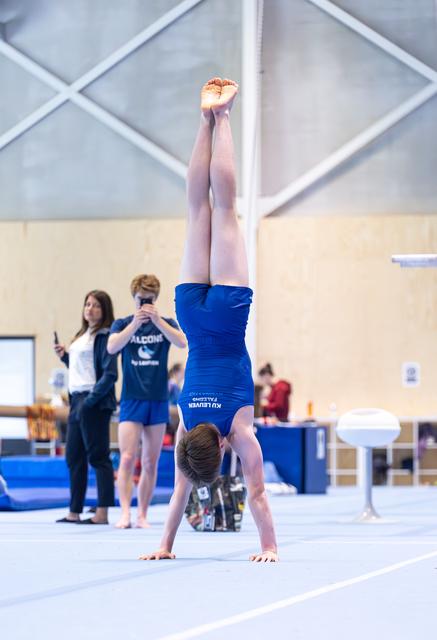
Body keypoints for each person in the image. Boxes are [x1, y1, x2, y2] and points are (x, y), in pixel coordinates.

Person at [141, 78, 278, 562]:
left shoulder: (239, 429)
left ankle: (222, 118)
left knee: (226, 210)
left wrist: (269, 548)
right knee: (197, 207)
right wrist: (162, 545)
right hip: (192, 315)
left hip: (227, 310)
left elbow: (257, 495)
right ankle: (204, 119)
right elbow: (178, 494)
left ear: (220, 449)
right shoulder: (185, 426)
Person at [107, 274, 186, 529]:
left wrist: (157, 320)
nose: (145, 304)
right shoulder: (123, 323)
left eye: (149, 299)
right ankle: (125, 512)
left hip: (157, 400)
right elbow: (111, 348)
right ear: (134, 298)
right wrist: (135, 325)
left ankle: (142, 513)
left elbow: (182, 342)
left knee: (151, 461)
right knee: (128, 457)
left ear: (156, 298)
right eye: (141, 299)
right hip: (131, 399)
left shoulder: (165, 324)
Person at [54, 290, 117, 524]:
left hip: (93, 400)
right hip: (76, 400)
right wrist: (65, 357)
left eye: (96, 306)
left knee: (98, 457)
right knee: (73, 456)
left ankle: (102, 512)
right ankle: (74, 510)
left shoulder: (106, 336)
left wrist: (91, 402)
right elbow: (83, 369)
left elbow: (110, 375)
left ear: (105, 310)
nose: (89, 309)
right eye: (87, 304)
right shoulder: (82, 335)